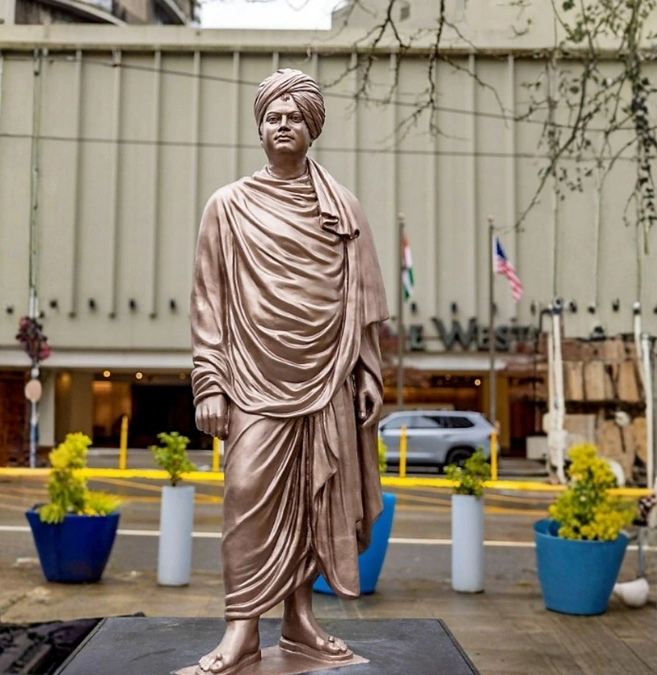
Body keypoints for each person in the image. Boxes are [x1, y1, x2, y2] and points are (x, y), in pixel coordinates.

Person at [189, 68, 388, 675]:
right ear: (259, 127)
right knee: (245, 494)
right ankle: (241, 632)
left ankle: (299, 626)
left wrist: (368, 374)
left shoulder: (341, 209)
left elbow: (363, 303)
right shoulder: (228, 206)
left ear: (311, 128)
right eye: (273, 116)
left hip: (328, 375)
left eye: (294, 117)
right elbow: (208, 301)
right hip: (252, 377)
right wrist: (210, 381)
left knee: (313, 498)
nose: (283, 125)